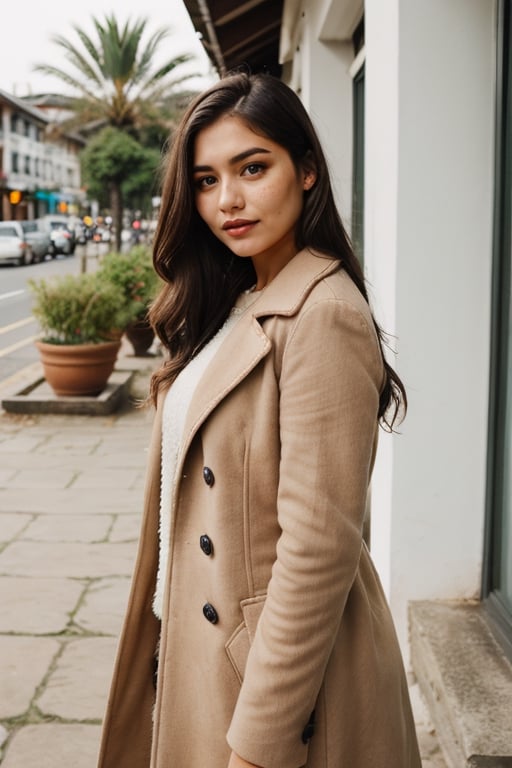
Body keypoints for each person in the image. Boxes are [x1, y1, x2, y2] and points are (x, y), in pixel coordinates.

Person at [97, 72, 422, 768]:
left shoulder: (323, 313)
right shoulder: (243, 296)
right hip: (197, 648)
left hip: (275, 691)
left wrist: (259, 746)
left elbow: (317, 551)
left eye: (253, 168)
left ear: (306, 171)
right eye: (207, 180)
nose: (228, 201)